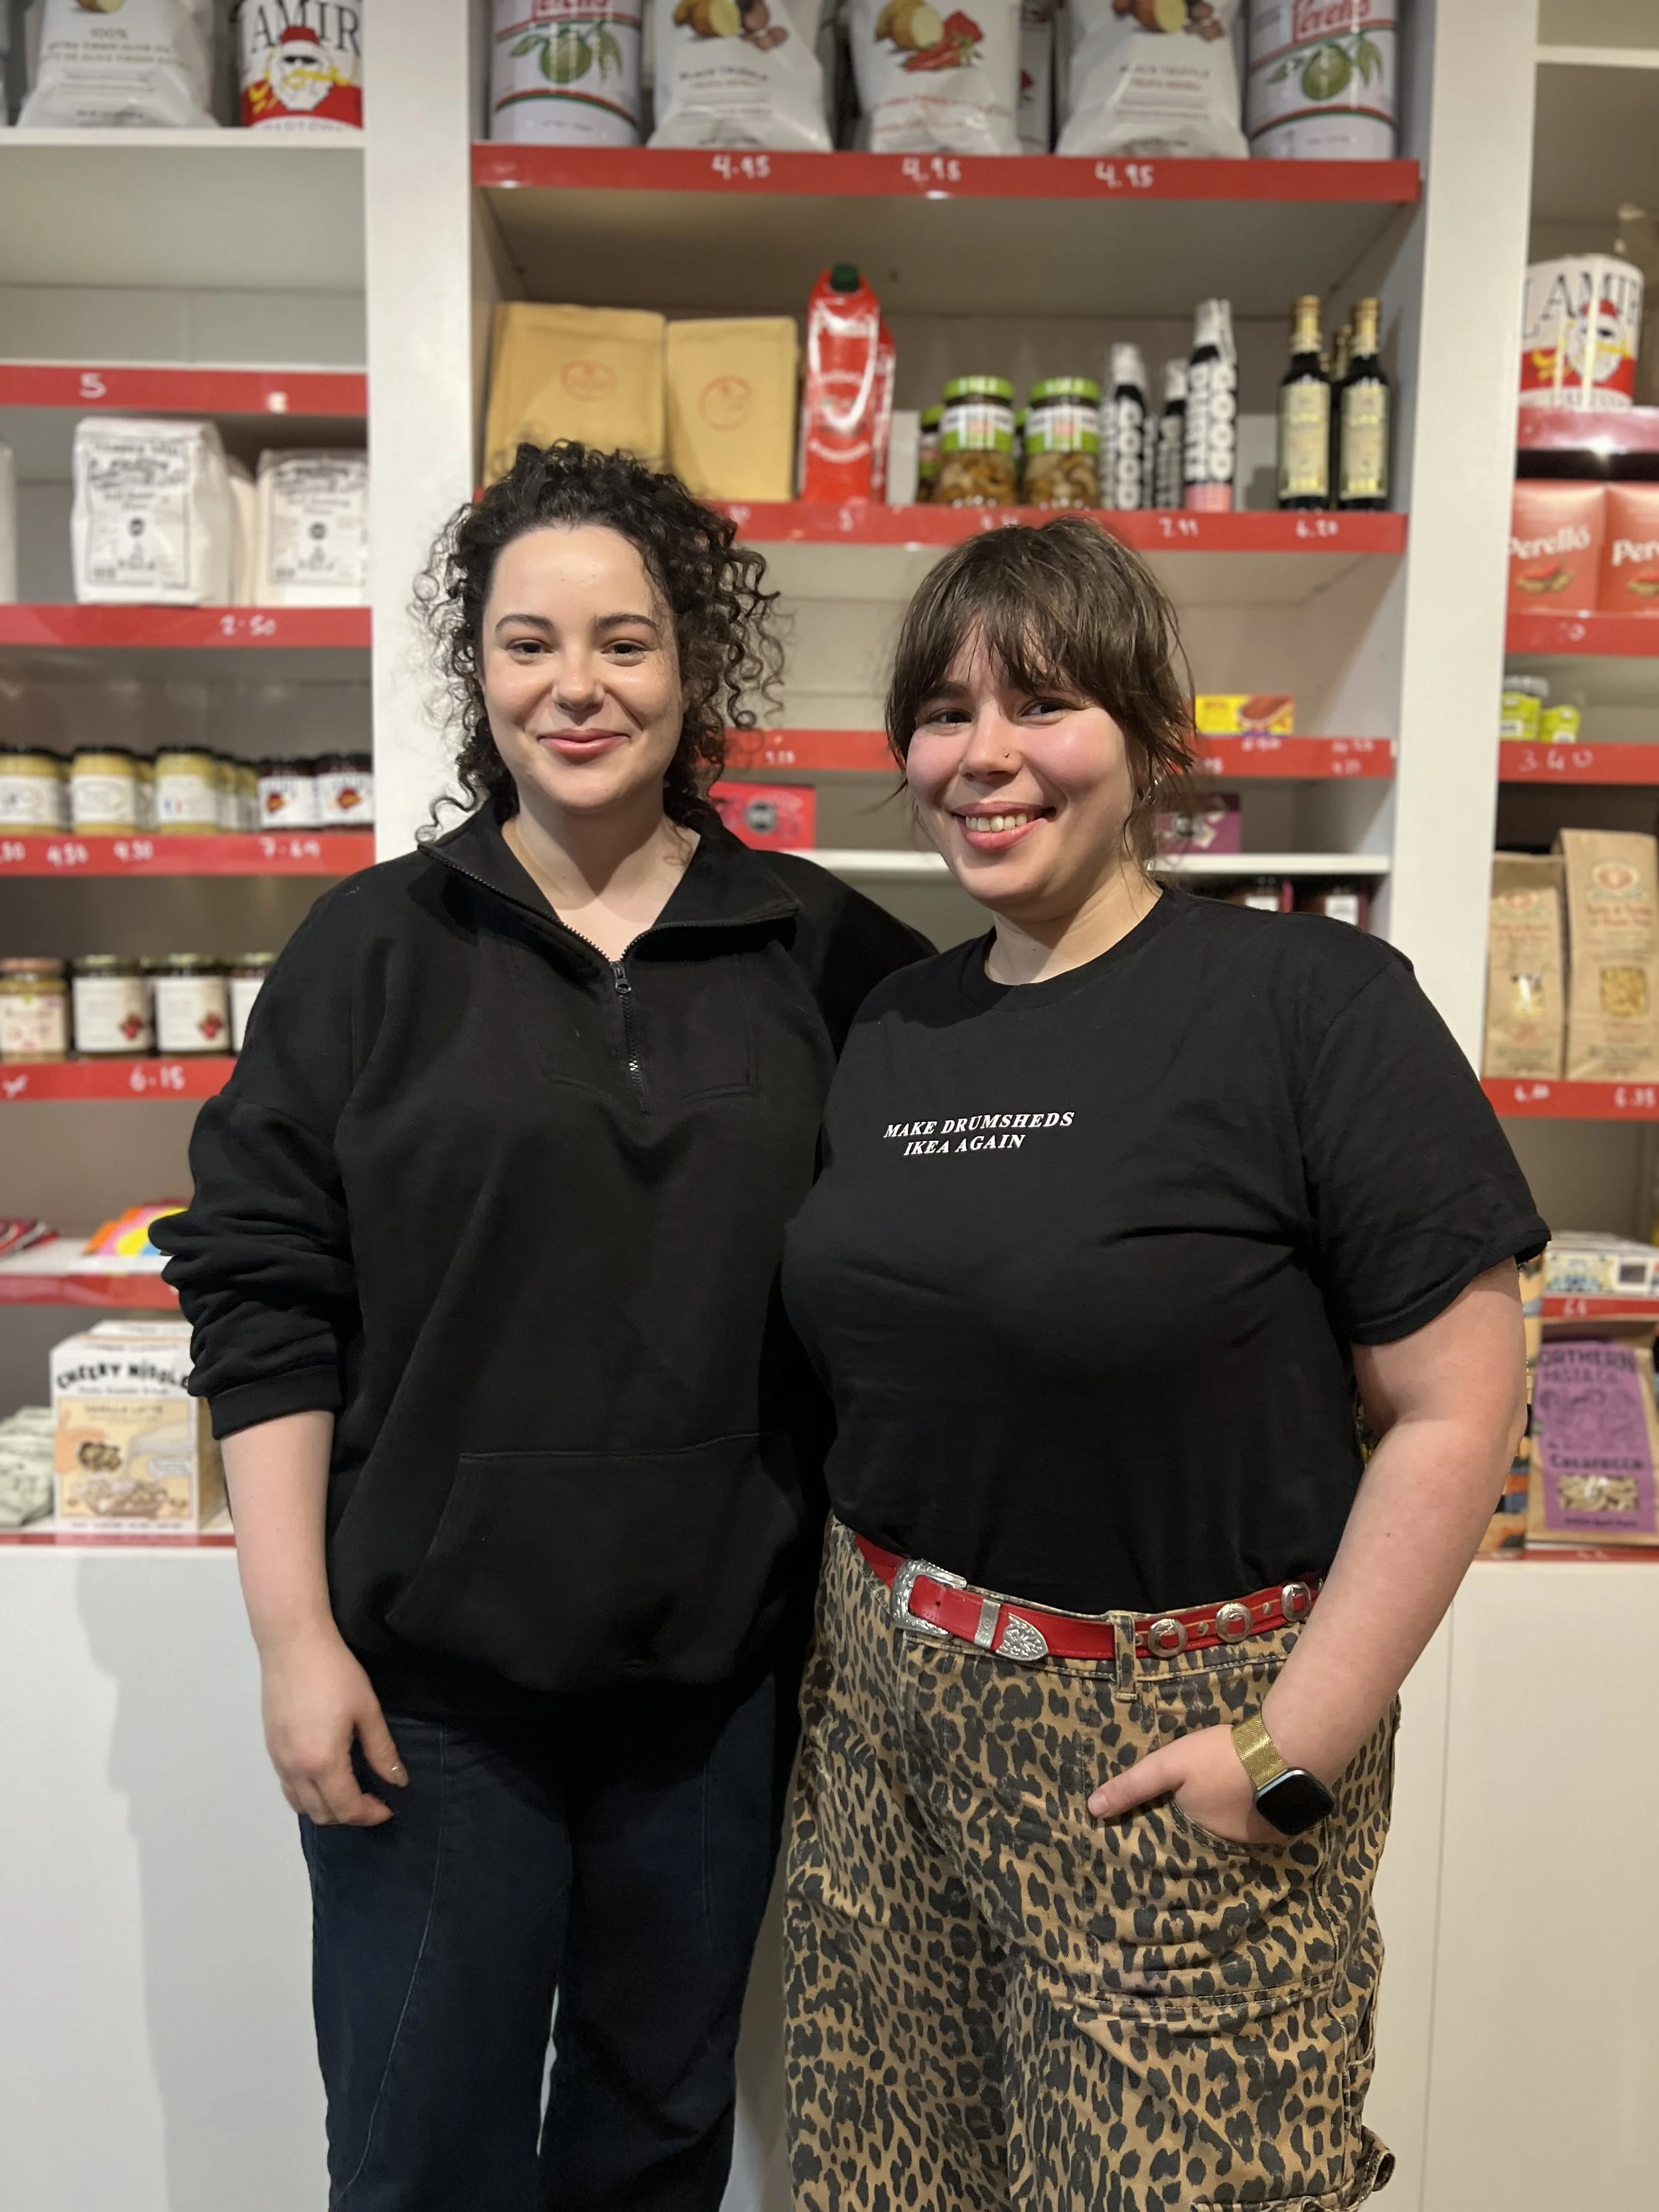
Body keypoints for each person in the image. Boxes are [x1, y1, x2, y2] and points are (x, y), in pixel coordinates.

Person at [154, 441, 928, 2212]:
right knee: (423, 2148)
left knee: (650, 2150)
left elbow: (958, 1224)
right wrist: (292, 1634)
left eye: (623, 641)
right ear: (475, 673)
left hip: (721, 1690)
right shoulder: (369, 952)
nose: (574, 685)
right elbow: (265, 1289)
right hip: (432, 1697)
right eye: (525, 644)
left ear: (692, 665)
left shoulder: (826, 956)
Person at [778, 515, 1544, 2212]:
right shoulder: (896, 1025)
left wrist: (1291, 1749)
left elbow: (1453, 1404)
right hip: (888, 1722)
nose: (983, 758)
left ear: (1142, 737)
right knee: (885, 2182)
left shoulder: (1311, 1003)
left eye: (1041, 705)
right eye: (941, 712)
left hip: (1169, 1738)